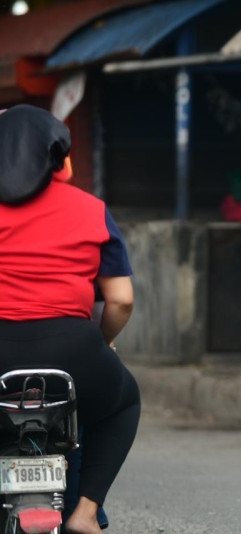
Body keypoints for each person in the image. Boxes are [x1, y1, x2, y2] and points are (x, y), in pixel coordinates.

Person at [0, 105, 140, 534]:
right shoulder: (90, 209)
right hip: (74, 352)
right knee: (124, 402)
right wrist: (101, 341)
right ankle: (84, 513)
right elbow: (120, 300)